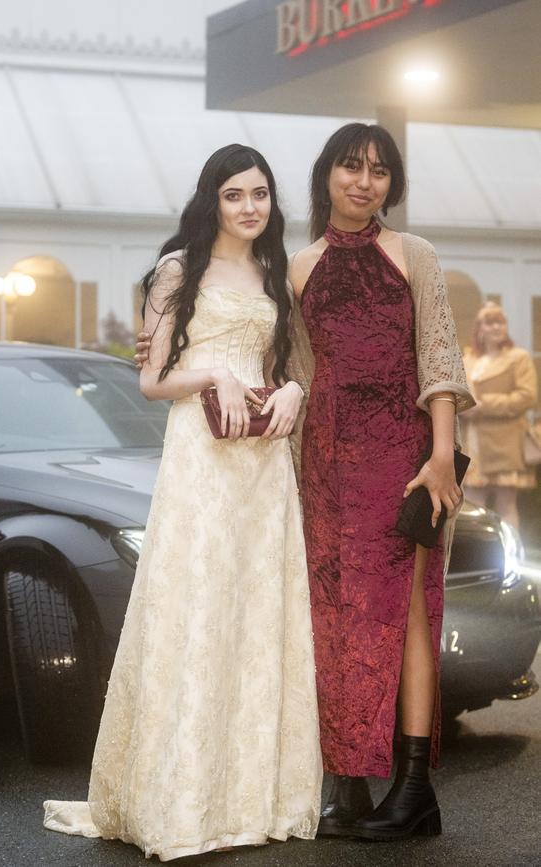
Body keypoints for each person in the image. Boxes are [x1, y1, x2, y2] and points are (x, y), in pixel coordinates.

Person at [42, 144, 322, 861]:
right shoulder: (178, 269)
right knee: (196, 610)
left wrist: (290, 389)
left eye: (260, 193)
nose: (250, 206)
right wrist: (209, 375)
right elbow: (151, 377)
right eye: (235, 195)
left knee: (257, 617)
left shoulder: (274, 273)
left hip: (262, 467)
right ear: (212, 200)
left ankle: (251, 800)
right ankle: (181, 798)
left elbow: (294, 366)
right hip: (202, 461)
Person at [285, 123, 474, 841]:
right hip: (327, 466)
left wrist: (440, 453)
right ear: (326, 175)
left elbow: (440, 355)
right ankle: (345, 785)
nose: (364, 182)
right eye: (350, 167)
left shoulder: (412, 254)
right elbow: (300, 375)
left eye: (379, 171)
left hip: (407, 461)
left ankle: (415, 786)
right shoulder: (300, 266)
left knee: (411, 616)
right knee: (333, 621)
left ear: (391, 184)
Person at [462, 302, 538, 529]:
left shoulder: (518, 358)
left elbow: (527, 397)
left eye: (500, 322)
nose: (496, 327)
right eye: (490, 322)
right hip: (472, 444)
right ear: (479, 329)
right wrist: (462, 407)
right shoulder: (468, 360)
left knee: (506, 506)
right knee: (473, 506)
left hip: (504, 443)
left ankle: (512, 560)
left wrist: (484, 405)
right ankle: (482, 559)